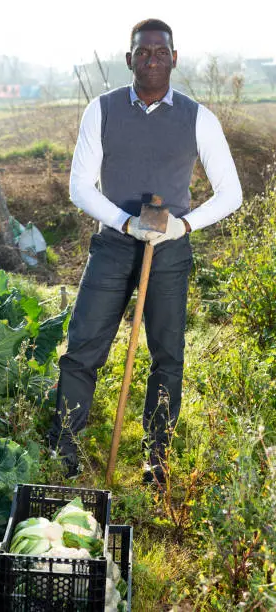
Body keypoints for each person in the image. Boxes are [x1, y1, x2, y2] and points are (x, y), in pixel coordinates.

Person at [48, 18, 242, 481]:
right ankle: (65, 452)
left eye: (161, 52)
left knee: (167, 355)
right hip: (114, 245)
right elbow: (80, 186)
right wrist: (125, 221)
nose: (152, 59)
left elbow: (230, 193)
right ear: (129, 58)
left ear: (175, 58)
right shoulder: (103, 109)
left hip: (169, 248)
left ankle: (156, 459)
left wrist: (183, 226)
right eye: (143, 52)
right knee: (82, 349)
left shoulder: (198, 117)